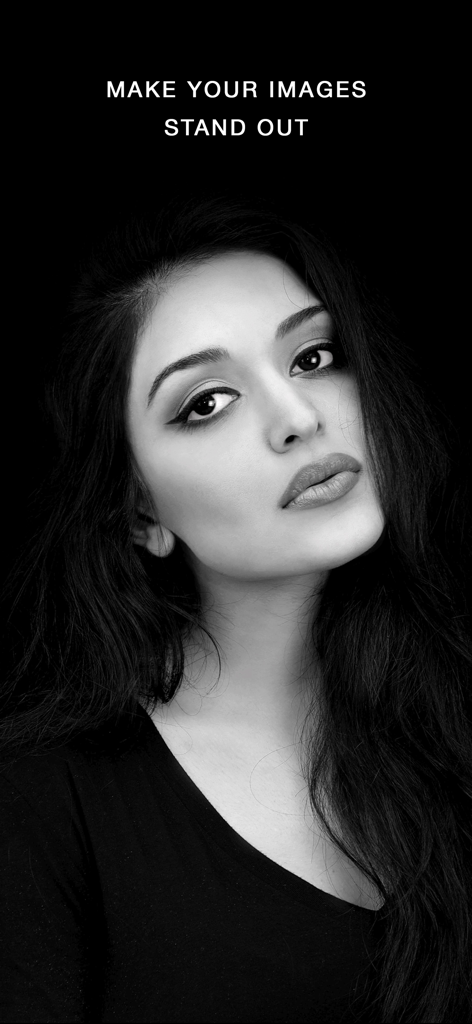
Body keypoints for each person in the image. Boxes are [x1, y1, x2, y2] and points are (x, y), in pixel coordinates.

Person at [1, 194, 471, 1023]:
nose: (298, 418)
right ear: (138, 511)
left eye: (314, 357)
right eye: (207, 403)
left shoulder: (450, 706)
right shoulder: (41, 802)